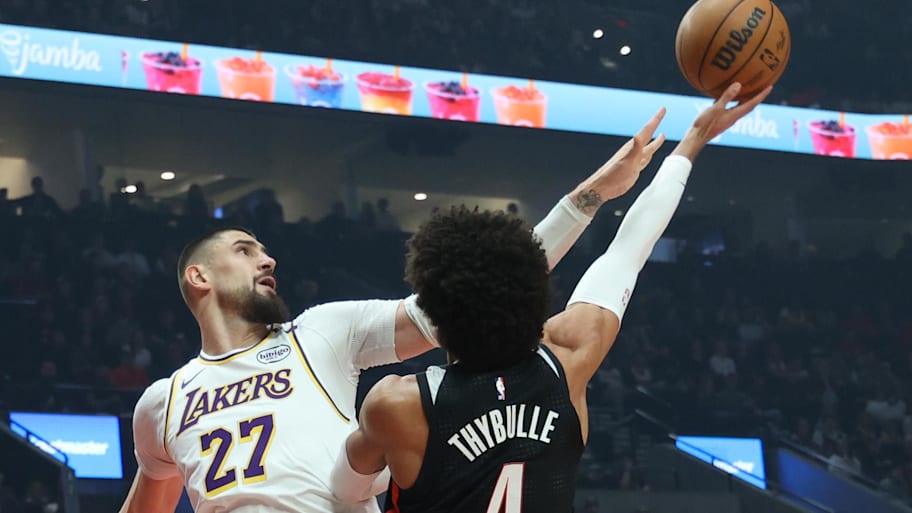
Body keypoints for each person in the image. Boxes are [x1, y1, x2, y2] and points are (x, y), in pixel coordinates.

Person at [117, 109, 673, 513]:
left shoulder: (319, 332)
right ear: (199, 277)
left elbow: (480, 286)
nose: (267, 258)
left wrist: (588, 198)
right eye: (244, 250)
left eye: (263, 249)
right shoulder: (162, 402)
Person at [330, 83, 772, 512]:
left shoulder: (398, 404)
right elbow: (627, 252)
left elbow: (345, 492)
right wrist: (692, 141)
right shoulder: (569, 360)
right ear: (533, 296)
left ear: (435, 321)